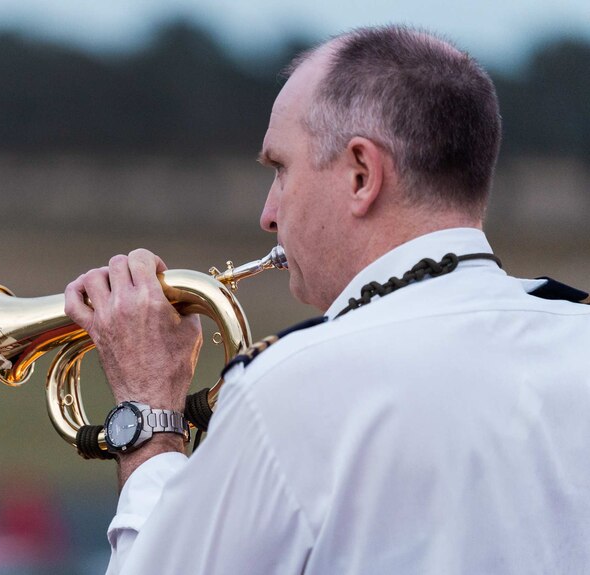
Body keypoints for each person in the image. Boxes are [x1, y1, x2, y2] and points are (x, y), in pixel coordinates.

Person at [64, 25, 590, 574]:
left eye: (281, 169)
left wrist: (149, 420)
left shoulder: (291, 387)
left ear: (362, 175)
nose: (268, 214)